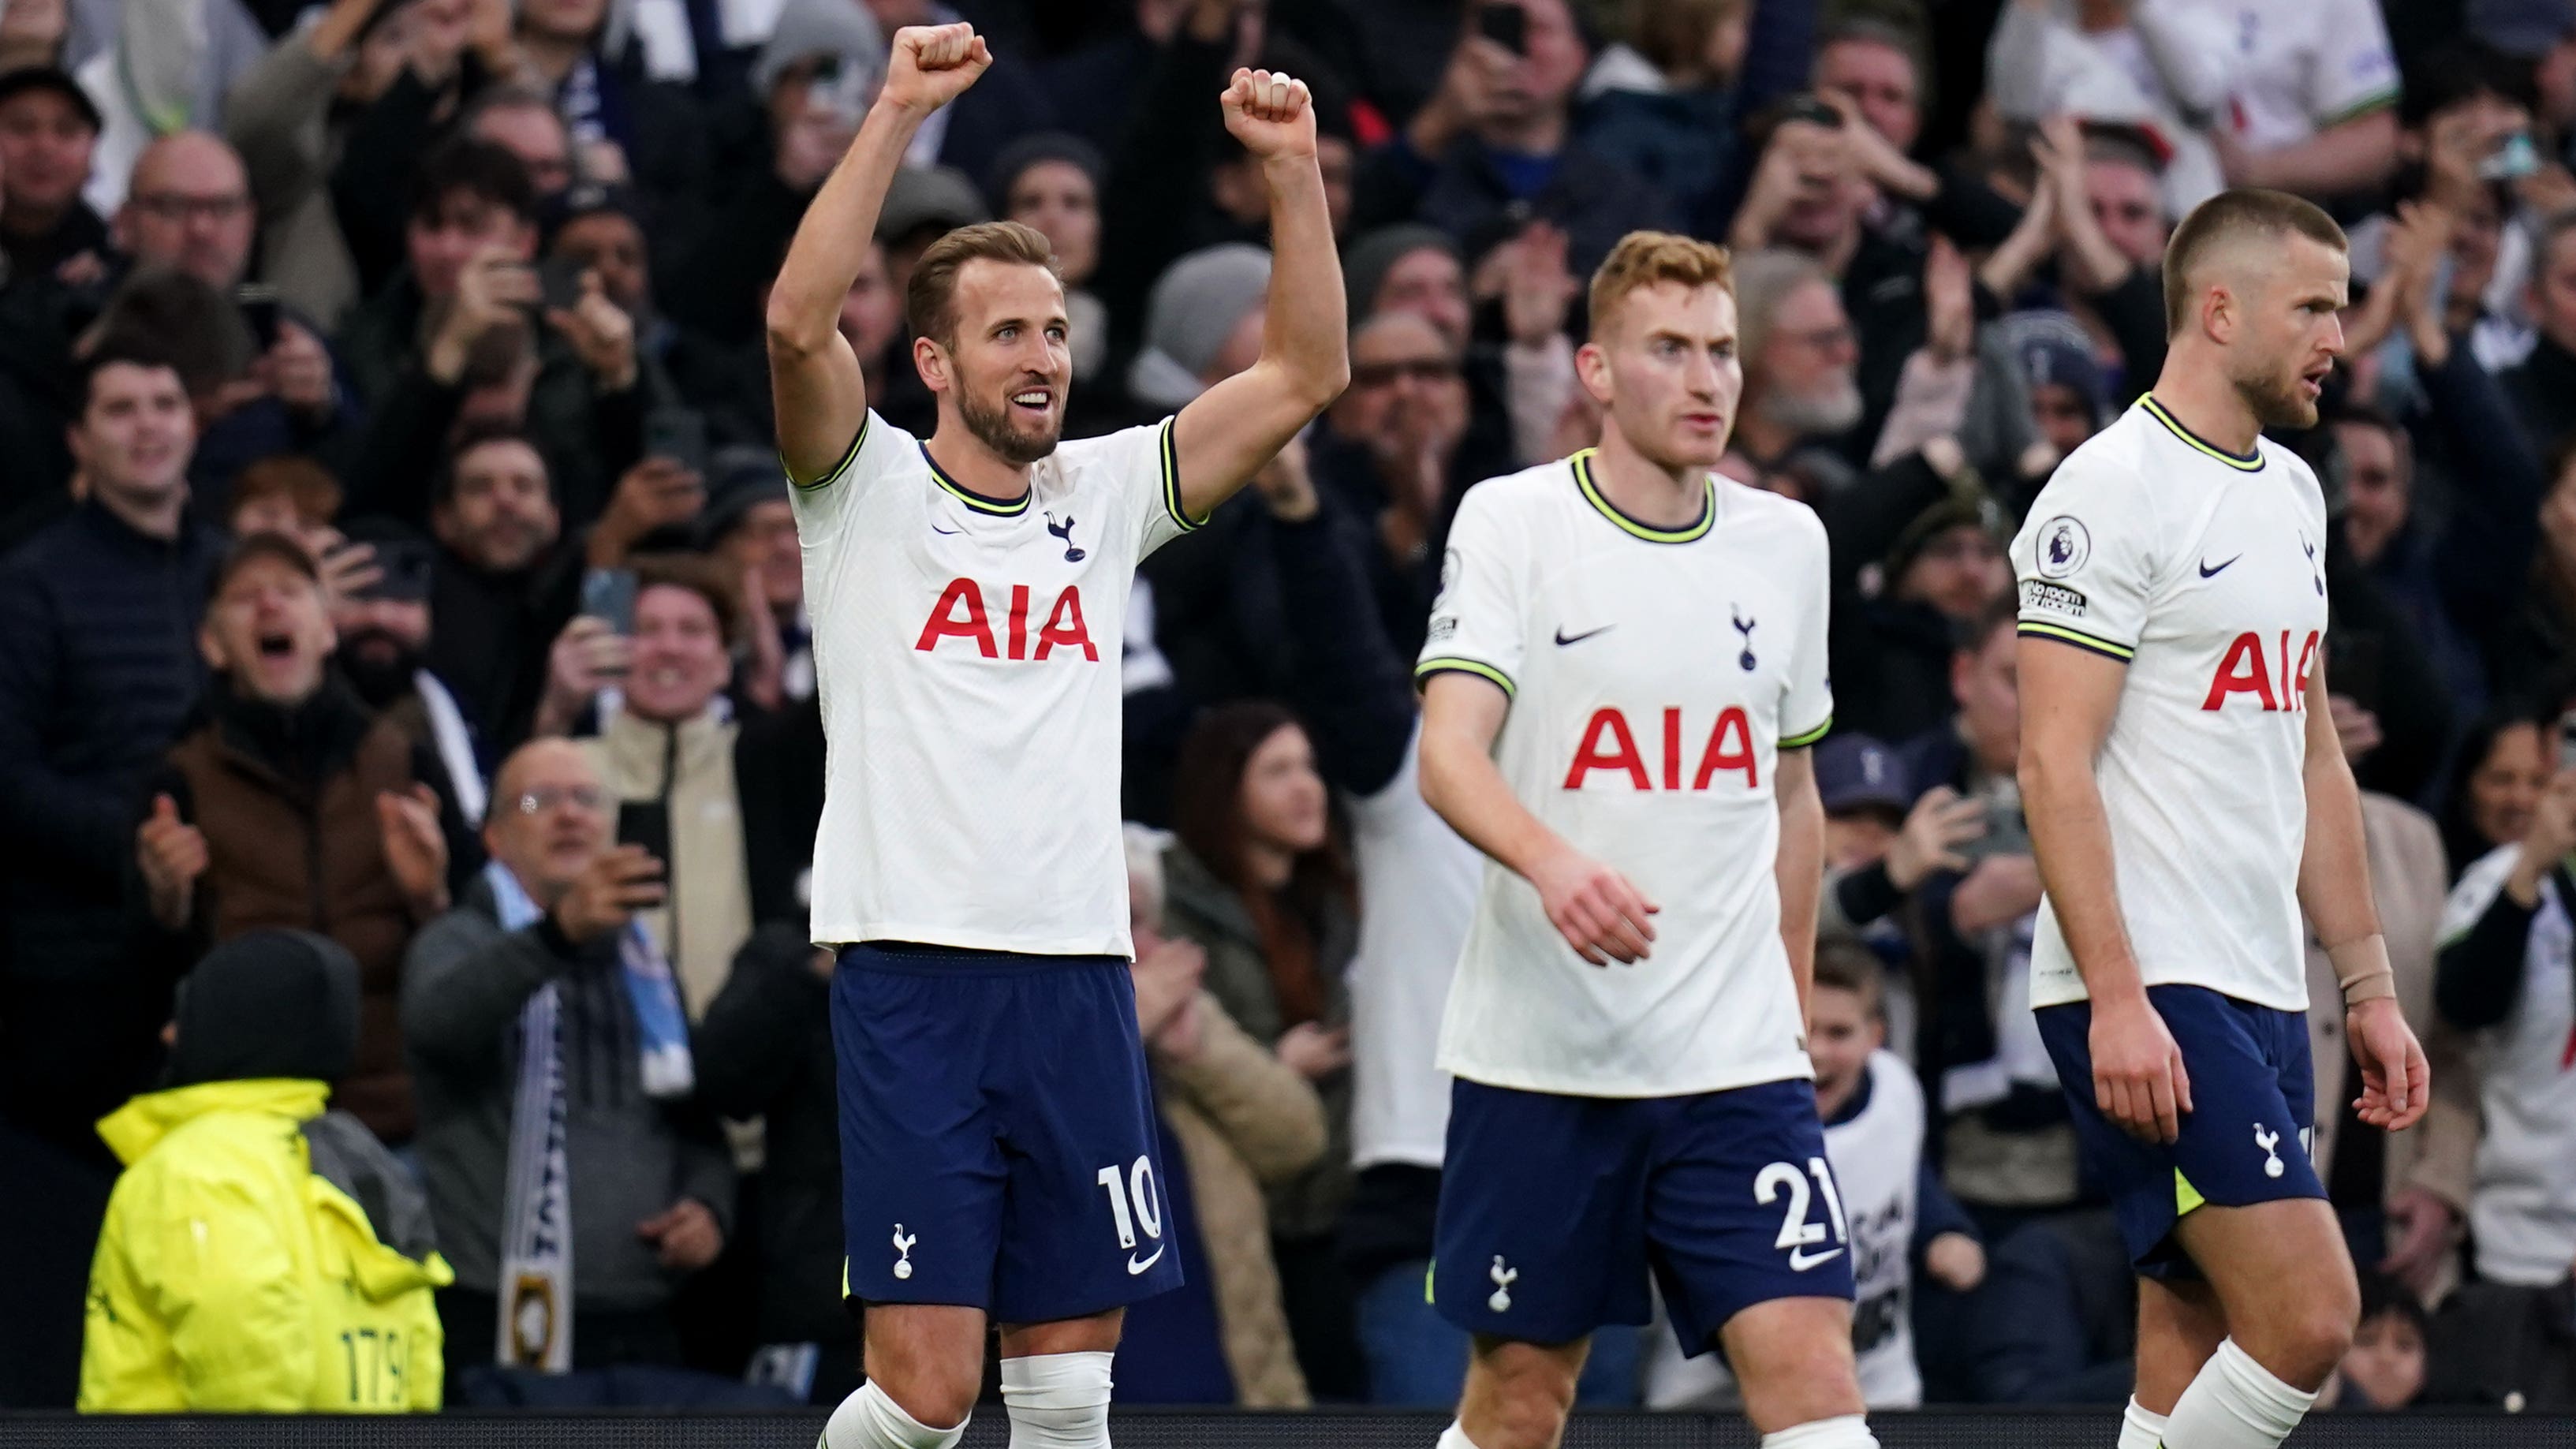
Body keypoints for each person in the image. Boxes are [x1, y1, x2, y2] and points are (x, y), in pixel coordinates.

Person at [761, 22, 1345, 1448]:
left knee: (1074, 1394)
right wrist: (897, 110)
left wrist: (1294, 174)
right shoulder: (860, 487)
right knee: (927, 1388)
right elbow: (792, 324)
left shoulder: (1105, 492)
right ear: (936, 363)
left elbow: (1303, 376)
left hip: (1083, 973)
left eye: (1059, 329)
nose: (1044, 357)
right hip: (916, 970)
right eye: (1009, 332)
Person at [1414, 230, 1870, 1449]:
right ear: (1597, 372)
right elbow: (1446, 753)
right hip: (1544, 1056)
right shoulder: (1511, 522)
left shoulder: (1789, 544)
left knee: (1814, 1374)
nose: (1705, 378)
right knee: (1519, 1400)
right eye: (1667, 350)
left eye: (1720, 350)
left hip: (1734, 1063)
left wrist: (1786, 1005)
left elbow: (1793, 798)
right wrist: (1553, 861)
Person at [2010, 188, 2432, 1449]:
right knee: (2308, 1314)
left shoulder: (2292, 495)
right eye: (2311, 307)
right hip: (2150, 979)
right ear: (2216, 308)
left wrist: (2363, 987)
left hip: (2253, 979)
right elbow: (2047, 764)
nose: (2334, 339)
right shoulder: (2109, 490)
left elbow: (2311, 761)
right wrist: (2116, 993)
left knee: (2183, 1352)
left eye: (2341, 310)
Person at [401, 738, 733, 1384]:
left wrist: (709, 1205)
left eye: (587, 799)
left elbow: (694, 1117)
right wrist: (555, 936)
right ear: (494, 838)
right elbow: (438, 1025)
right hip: (493, 1317)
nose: (570, 815)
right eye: (539, 800)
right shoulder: (458, 938)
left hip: (641, 1321)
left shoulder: (644, 965)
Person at [134, 532, 467, 1145]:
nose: (269, 607)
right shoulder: (176, 780)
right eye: (244, 597)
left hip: (399, 1123)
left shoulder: (406, 761)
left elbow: (475, 944)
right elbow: (145, 982)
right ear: (212, 644)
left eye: (289, 591)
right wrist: (168, 907)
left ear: (327, 629)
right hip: (254, 1127)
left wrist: (432, 897)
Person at [77, 930, 450, 1411]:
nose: (169, 1034)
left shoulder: (195, 1168)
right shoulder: (364, 1163)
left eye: (190, 1015)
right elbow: (419, 1360)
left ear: (228, 1028)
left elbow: (242, 1352)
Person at [1647, 943, 1984, 1411]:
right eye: (1803, 1031)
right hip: (1720, 1395)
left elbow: (1906, 1176)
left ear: (1875, 1036)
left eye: (1839, 1032)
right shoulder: (1723, 1117)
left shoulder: (1897, 1089)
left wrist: (1944, 1230)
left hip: (1878, 1388)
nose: (1818, 1052)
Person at [1159, 703, 1361, 1400]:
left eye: (1308, 767)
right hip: (1235, 1217)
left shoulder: (1332, 901)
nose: (1307, 786)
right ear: (1225, 788)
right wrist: (1277, 1069)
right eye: (1278, 771)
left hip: (1334, 1210)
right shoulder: (1169, 905)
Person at [1114, 825, 1329, 1406]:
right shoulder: (1030, 1037)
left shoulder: (1184, 1022)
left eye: (1137, 919)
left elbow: (1300, 1138)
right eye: (1106, 922)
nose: (1130, 945)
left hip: (1239, 1399)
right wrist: (1123, 1032)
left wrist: (1196, 1053)